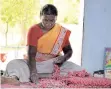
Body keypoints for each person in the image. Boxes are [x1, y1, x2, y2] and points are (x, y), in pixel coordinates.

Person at [1, 4, 83, 84]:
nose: (48, 23)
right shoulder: (33, 30)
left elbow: (69, 51)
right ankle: (13, 78)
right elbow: (31, 54)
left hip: (54, 64)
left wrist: (64, 58)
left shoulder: (61, 32)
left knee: (77, 69)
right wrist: (33, 72)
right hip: (35, 64)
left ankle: (38, 76)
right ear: (40, 17)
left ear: (56, 18)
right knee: (13, 63)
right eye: (45, 20)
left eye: (52, 20)